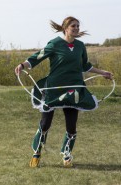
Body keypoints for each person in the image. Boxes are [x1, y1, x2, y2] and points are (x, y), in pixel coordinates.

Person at [15, 16, 113, 168]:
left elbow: (85, 66)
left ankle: (66, 154)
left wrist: (103, 73)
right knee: (45, 123)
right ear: (66, 28)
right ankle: (37, 153)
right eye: (73, 26)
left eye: (78, 26)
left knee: (71, 125)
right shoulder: (55, 44)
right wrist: (22, 65)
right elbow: (37, 57)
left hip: (73, 89)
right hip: (54, 89)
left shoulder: (80, 46)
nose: (76, 28)